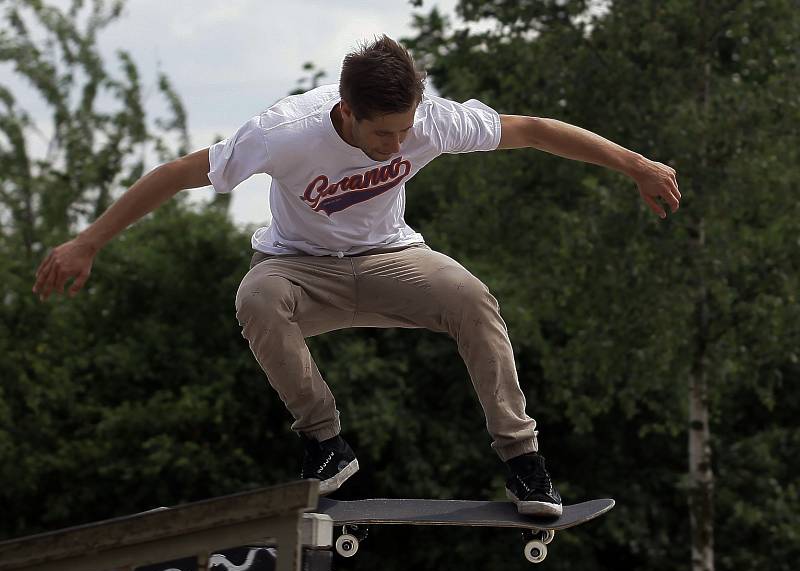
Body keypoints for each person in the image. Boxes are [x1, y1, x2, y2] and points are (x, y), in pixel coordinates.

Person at [32, 35, 680, 516]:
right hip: (299, 267)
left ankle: (523, 459)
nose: (398, 145)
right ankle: (325, 441)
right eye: (382, 133)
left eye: (404, 130)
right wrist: (90, 241)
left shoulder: (429, 119)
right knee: (255, 296)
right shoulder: (282, 131)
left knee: (472, 297)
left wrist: (635, 165)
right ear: (346, 109)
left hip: (390, 258)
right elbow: (178, 174)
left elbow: (533, 130)